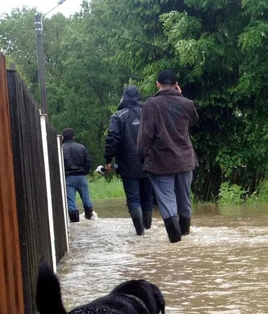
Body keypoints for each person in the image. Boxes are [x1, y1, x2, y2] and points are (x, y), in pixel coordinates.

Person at [137, 69, 199, 243]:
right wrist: (182, 96)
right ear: (176, 84)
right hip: (185, 160)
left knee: (167, 202)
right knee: (184, 200)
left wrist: (142, 157)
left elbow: (145, 136)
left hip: (161, 162)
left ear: (158, 84)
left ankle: (176, 243)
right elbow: (193, 120)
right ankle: (186, 239)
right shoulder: (187, 103)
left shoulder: (151, 104)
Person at [104, 85, 155, 235]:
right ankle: (147, 228)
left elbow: (112, 139)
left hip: (128, 164)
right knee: (147, 198)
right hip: (150, 163)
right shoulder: (149, 113)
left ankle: (140, 233)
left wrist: (108, 160)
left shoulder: (118, 116)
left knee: (133, 199)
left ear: (124, 97)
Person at [61, 128, 93, 222]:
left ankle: (75, 223)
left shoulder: (61, 149)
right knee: (87, 200)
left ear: (62, 137)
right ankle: (89, 219)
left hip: (68, 178)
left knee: (71, 203)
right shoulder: (81, 147)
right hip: (81, 177)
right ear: (74, 137)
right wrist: (85, 172)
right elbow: (88, 162)